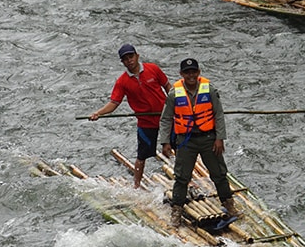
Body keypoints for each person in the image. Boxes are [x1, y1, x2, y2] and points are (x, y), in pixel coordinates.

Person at [159, 58, 238, 224]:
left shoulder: (209, 90)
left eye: (193, 72)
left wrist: (219, 138)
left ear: (198, 72)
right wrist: (165, 142)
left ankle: (229, 205)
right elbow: (166, 119)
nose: (191, 75)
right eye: (187, 72)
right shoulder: (174, 94)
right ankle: (177, 211)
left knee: (219, 174)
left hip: (209, 139)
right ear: (181, 74)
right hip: (185, 141)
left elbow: (218, 114)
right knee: (182, 177)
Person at [88, 44, 171, 188]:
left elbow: (168, 87)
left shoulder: (153, 69)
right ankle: (136, 185)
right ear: (122, 62)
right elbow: (114, 103)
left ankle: (183, 177)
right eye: (125, 59)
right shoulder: (122, 82)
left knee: (179, 147)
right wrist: (98, 113)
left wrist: (179, 104)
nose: (129, 61)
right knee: (142, 156)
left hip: (166, 118)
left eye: (131, 57)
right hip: (145, 122)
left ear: (137, 56)